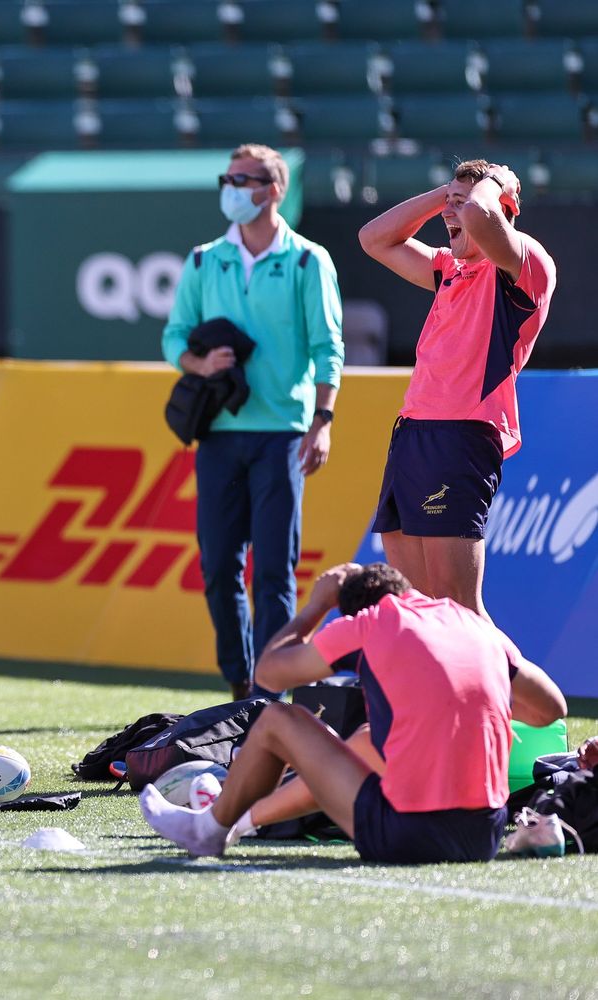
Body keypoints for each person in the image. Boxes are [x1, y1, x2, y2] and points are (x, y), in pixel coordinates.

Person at [140, 561, 567, 864]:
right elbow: (551, 708)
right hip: (484, 837)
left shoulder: (373, 621)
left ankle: (210, 829)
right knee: (365, 740)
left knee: (278, 720)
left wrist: (316, 606)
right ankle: (241, 821)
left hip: (407, 837)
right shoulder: (476, 626)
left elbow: (270, 673)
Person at [161, 143, 344, 702]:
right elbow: (173, 337)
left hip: (282, 433)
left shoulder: (309, 260)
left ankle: (271, 688)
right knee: (218, 566)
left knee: (274, 573)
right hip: (219, 433)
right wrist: (199, 362)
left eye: (246, 179)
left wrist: (323, 420)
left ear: (275, 189)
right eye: (229, 177)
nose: (234, 187)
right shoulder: (202, 259)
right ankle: (240, 679)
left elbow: (327, 347)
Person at [357, 161, 555, 618]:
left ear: (502, 205)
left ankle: (517, 693)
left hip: (462, 435)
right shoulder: (449, 267)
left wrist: (493, 185)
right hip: (413, 434)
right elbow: (373, 238)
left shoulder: (524, 262)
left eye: (464, 204)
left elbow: (479, 219)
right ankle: (433, 692)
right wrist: (446, 194)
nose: (453, 215)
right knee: (417, 606)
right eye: (452, 205)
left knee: (459, 609)